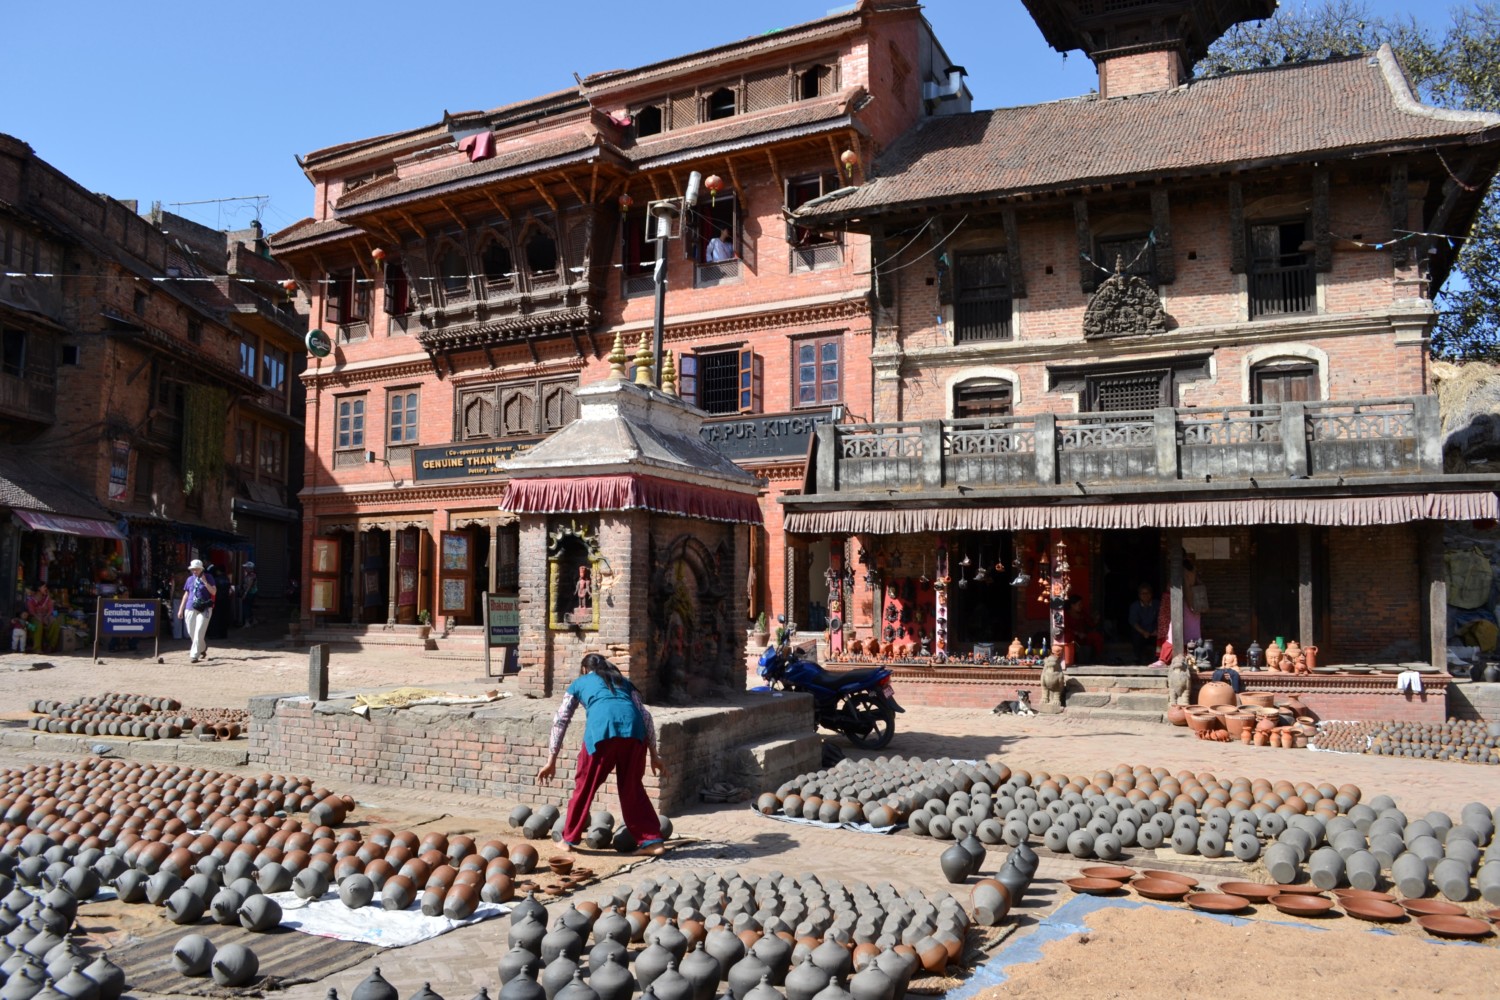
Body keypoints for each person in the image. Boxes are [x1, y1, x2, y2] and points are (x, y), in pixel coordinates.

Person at [537, 653, 666, 855]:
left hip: (601, 733)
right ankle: (652, 842)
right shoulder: (623, 681)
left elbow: (561, 719)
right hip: (635, 733)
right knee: (632, 788)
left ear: (584, 670)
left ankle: (568, 839)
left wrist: (551, 759)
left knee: (584, 786)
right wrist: (654, 754)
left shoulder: (580, 683)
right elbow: (645, 716)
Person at [177, 559, 217, 663]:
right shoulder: (189, 579)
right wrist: (181, 609)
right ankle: (202, 648)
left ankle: (194, 655)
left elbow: (213, 592)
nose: (195, 571)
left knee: (199, 631)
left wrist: (205, 582)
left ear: (201, 569)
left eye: (197, 569)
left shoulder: (209, 577)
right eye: (193, 569)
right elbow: (186, 594)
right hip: (190, 607)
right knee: (192, 632)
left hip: (205, 608)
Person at [1127, 584, 1159, 664]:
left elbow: (1161, 618)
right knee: (1135, 636)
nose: (1145, 595)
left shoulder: (1157, 604)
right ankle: (1137, 658)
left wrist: (1157, 630)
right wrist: (1143, 632)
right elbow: (1133, 622)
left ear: (1151, 594)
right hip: (1141, 632)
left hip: (1154, 632)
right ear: (1139, 595)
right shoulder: (1135, 606)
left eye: (1147, 593)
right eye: (1142, 593)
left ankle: (1159, 658)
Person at [25, 584, 59, 653]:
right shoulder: (31, 599)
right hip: (34, 618)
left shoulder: (47, 598)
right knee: (38, 625)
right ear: (38, 588)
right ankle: (37, 648)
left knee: (55, 623)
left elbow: (50, 609)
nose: (46, 589)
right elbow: (31, 612)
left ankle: (50, 646)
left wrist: (46, 617)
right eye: (44, 587)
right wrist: (39, 618)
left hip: (46, 616)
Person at [240, 562, 259, 627]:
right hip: (250, 593)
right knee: (249, 607)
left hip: (250, 593)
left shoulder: (252, 575)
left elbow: (249, 585)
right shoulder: (248, 575)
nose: (245, 569)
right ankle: (253, 620)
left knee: (246, 607)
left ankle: (247, 622)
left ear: (250, 568)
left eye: (246, 568)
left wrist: (245, 593)